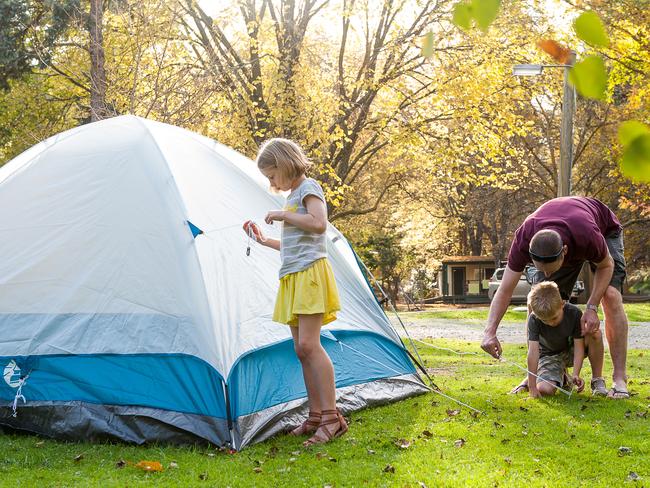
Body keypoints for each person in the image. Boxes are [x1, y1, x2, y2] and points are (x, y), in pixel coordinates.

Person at [243, 137, 348, 446]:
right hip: (293, 275)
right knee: (301, 349)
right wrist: (263, 240)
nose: (272, 183)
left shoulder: (309, 189)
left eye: (272, 175)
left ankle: (331, 417)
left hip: (311, 274)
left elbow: (319, 225)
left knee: (309, 345)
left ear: (285, 164)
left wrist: (283, 215)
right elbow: (292, 244)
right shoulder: (291, 197)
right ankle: (315, 415)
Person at [481, 196, 629, 399]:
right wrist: (489, 332)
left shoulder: (586, 235)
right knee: (538, 298)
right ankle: (538, 372)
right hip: (565, 235)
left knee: (611, 296)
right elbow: (505, 290)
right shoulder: (524, 238)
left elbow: (606, 265)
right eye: (541, 269)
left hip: (603, 229)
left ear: (564, 253)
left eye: (550, 270)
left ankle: (619, 378)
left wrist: (592, 306)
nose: (547, 275)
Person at [523, 282, 605, 398]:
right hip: (549, 356)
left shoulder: (574, 313)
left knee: (595, 334)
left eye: (554, 318)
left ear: (562, 304)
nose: (551, 323)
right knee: (544, 390)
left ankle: (597, 380)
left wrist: (576, 374)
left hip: (570, 352)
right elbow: (533, 352)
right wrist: (532, 386)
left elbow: (579, 346)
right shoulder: (534, 319)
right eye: (545, 321)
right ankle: (563, 377)